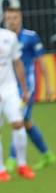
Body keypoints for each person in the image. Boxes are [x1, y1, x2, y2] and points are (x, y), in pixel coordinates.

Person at [3, 6, 56, 173]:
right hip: (8, 85)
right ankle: (46, 154)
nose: (12, 21)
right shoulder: (4, 38)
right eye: (8, 18)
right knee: (26, 122)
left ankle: (13, 159)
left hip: (27, 85)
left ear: (21, 19)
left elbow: (42, 61)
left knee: (19, 120)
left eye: (15, 18)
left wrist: (48, 86)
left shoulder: (30, 37)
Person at [0, 25, 35, 181]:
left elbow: (17, 62)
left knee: (18, 124)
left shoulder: (9, 36)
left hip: (10, 89)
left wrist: (24, 89)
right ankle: (1, 170)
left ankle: (22, 165)